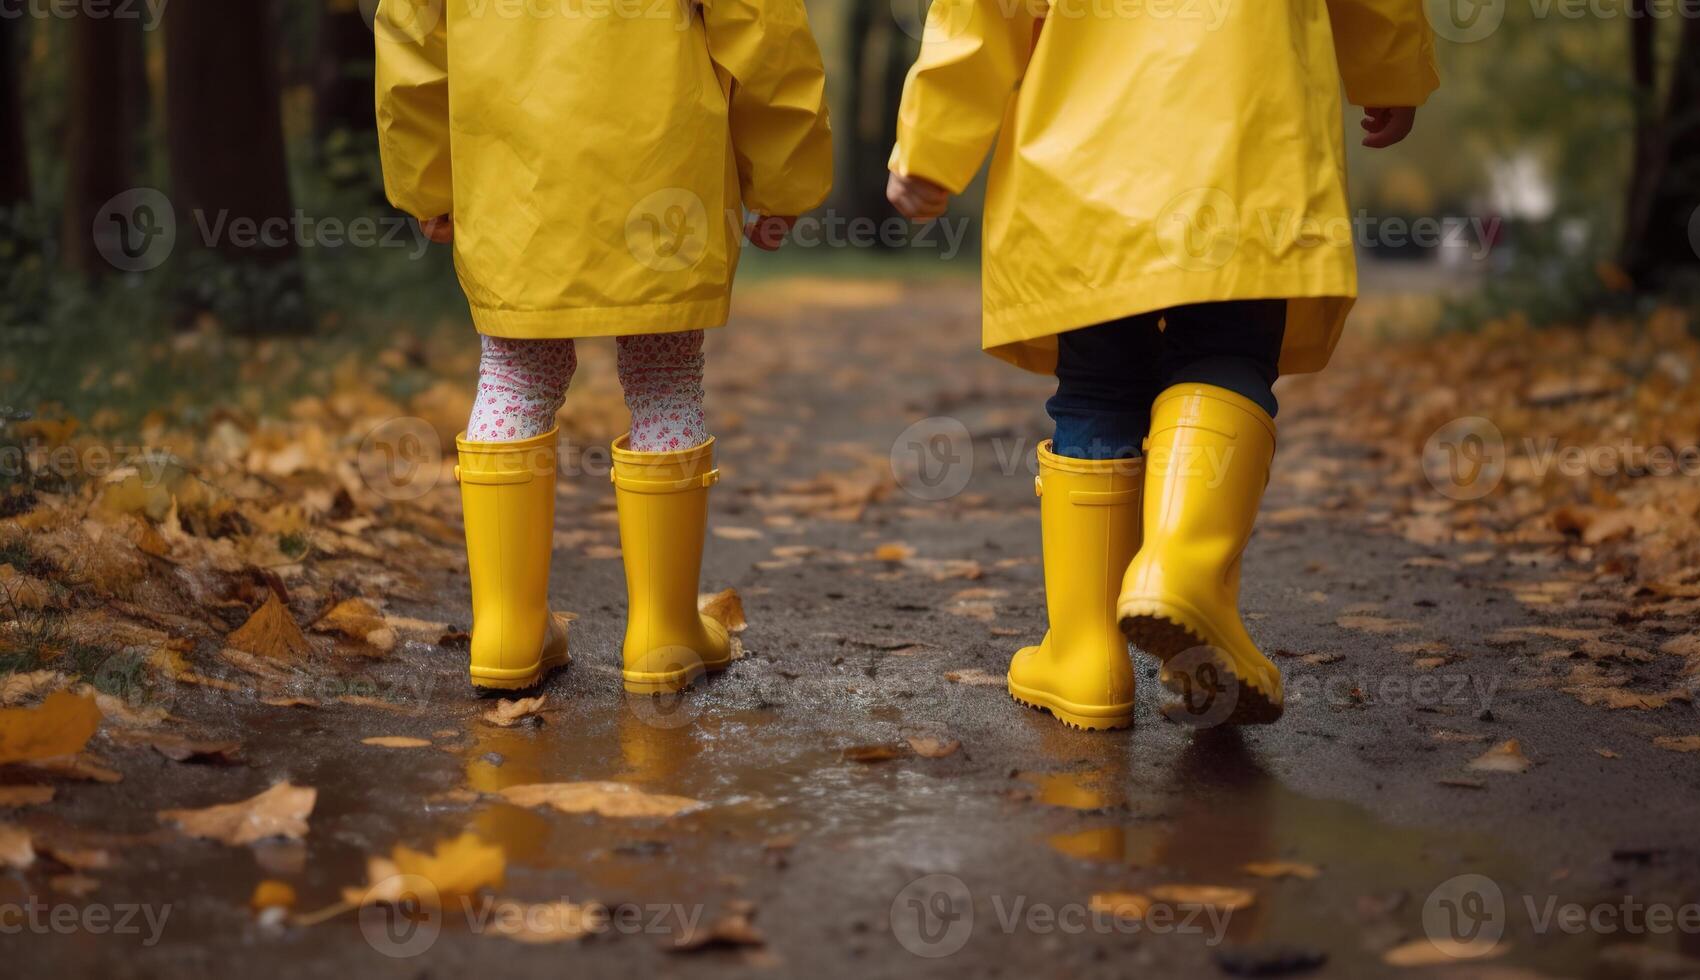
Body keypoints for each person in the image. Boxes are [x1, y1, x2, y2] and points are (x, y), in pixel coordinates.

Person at [888, 0, 1438, 727]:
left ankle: (1085, 659)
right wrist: (1388, 66)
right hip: (1247, 141)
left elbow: (980, 13)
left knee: (1095, 385)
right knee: (1225, 352)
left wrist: (931, 145)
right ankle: (1180, 571)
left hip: (1082, 161)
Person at [375, 0, 832, 694]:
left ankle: (506, 628)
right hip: (664, 170)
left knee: (515, 371)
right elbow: (764, 29)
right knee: (665, 378)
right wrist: (783, 175)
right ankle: (661, 633)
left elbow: (411, 38)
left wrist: (425, 177)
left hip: (513, 176)